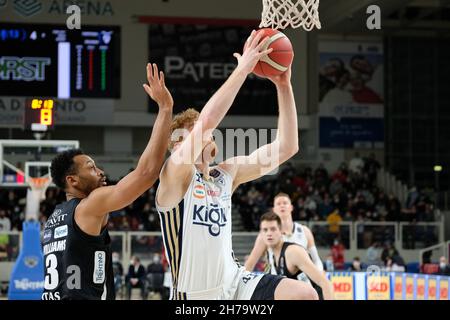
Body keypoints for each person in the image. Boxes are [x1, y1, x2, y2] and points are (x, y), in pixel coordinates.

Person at [155, 30, 317, 300]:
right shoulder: (173, 175)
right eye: (192, 134)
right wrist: (243, 68)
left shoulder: (226, 174)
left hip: (236, 284)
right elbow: (208, 120)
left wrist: (283, 86)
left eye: (204, 133)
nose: (204, 135)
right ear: (176, 145)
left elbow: (287, 147)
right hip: (193, 295)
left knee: (304, 295)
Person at [41, 63, 173, 300]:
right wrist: (165, 108)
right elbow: (147, 173)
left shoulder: (54, 218)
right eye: (91, 167)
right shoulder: (89, 205)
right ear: (72, 180)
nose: (101, 172)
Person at [245, 193, 324, 280]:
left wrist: (319, 275)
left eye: (285, 203)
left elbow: (316, 260)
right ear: (273, 209)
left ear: (291, 207)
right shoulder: (265, 234)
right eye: (278, 204)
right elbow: (250, 263)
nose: (282, 206)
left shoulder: (304, 231)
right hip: (276, 285)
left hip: (302, 286)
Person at [259, 212, 334, 300]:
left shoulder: (293, 252)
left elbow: (326, 284)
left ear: (281, 231)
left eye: (273, 229)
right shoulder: (270, 256)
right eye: (265, 230)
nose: (269, 233)